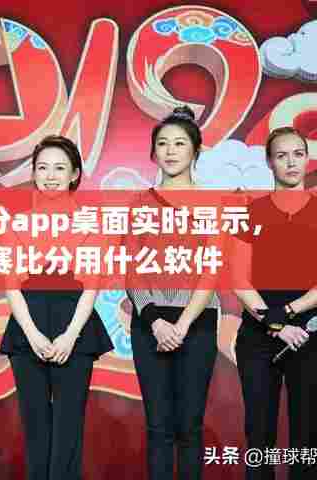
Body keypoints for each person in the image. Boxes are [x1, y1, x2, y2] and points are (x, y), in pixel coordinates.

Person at [0, 135, 113, 480]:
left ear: (74, 174)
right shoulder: (17, 224)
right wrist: (32, 334)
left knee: (68, 427)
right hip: (27, 328)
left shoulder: (90, 225)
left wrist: (70, 336)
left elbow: (91, 286)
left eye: (59, 168)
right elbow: (11, 285)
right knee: (35, 427)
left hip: (75, 328)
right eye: (43, 168)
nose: (50, 176)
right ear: (33, 173)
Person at [126, 106, 220, 480]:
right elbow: (131, 268)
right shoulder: (140, 203)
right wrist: (155, 322)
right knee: (158, 427)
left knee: (190, 427)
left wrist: (181, 325)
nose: (170, 151)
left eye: (180, 143)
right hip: (149, 325)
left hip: (196, 324)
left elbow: (212, 269)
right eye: (163, 143)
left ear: (196, 150)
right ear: (153, 152)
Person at [232, 126, 317, 480]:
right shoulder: (250, 213)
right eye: (281, 156)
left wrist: (290, 312)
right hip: (258, 336)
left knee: (307, 435)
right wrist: (274, 322)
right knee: (259, 433)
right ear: (269, 163)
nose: (291, 162)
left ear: (307, 158)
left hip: (309, 334)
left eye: (298, 154)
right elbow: (238, 278)